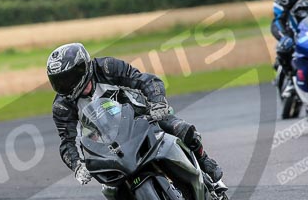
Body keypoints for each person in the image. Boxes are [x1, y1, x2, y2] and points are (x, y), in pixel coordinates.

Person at [46, 43, 224, 185]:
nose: (65, 85)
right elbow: (67, 141)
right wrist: (77, 165)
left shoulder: (107, 68)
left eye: (68, 78)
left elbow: (146, 80)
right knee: (108, 184)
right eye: (59, 81)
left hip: (144, 116)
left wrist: (158, 102)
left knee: (181, 129)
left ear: (83, 67)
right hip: (108, 142)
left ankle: (204, 160)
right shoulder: (63, 106)